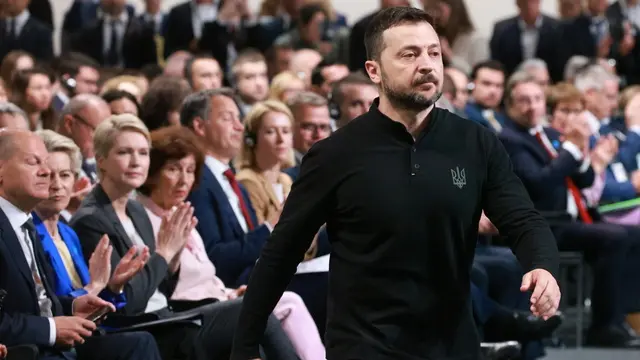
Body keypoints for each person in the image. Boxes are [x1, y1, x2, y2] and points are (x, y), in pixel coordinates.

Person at [231, 7, 561, 360]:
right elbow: (281, 253)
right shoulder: (335, 154)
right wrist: (245, 346)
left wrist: (542, 265)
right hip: (364, 346)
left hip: (452, 344)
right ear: (373, 70)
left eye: (434, 53)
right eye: (409, 54)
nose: (427, 64)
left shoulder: (476, 143)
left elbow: (522, 219)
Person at [70, 114, 299, 360]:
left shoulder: (135, 210)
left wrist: (174, 258)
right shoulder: (91, 220)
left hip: (168, 316)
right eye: (125, 153)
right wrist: (164, 253)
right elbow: (127, 303)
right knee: (254, 311)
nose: (137, 162)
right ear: (100, 160)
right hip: (138, 328)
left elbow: (162, 288)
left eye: (143, 153)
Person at [137, 126, 326, 360]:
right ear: (153, 172)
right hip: (187, 315)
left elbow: (205, 275)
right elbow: (169, 286)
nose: (184, 180)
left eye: (189, 170)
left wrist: (229, 292)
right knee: (277, 305)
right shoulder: (144, 218)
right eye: (173, 169)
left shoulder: (181, 212)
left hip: (217, 300)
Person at [0, 129, 161, 360]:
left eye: (63, 174)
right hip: (27, 351)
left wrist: (73, 306)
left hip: (54, 347)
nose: (46, 172)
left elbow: (40, 304)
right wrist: (53, 329)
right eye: (33, 162)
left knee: (141, 342)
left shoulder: (25, 225)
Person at [32, 130, 149, 307]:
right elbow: (50, 307)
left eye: (65, 175)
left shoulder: (67, 233)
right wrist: (95, 286)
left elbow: (92, 302)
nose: (57, 185)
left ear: (75, 180)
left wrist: (113, 286)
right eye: (47, 175)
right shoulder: (29, 234)